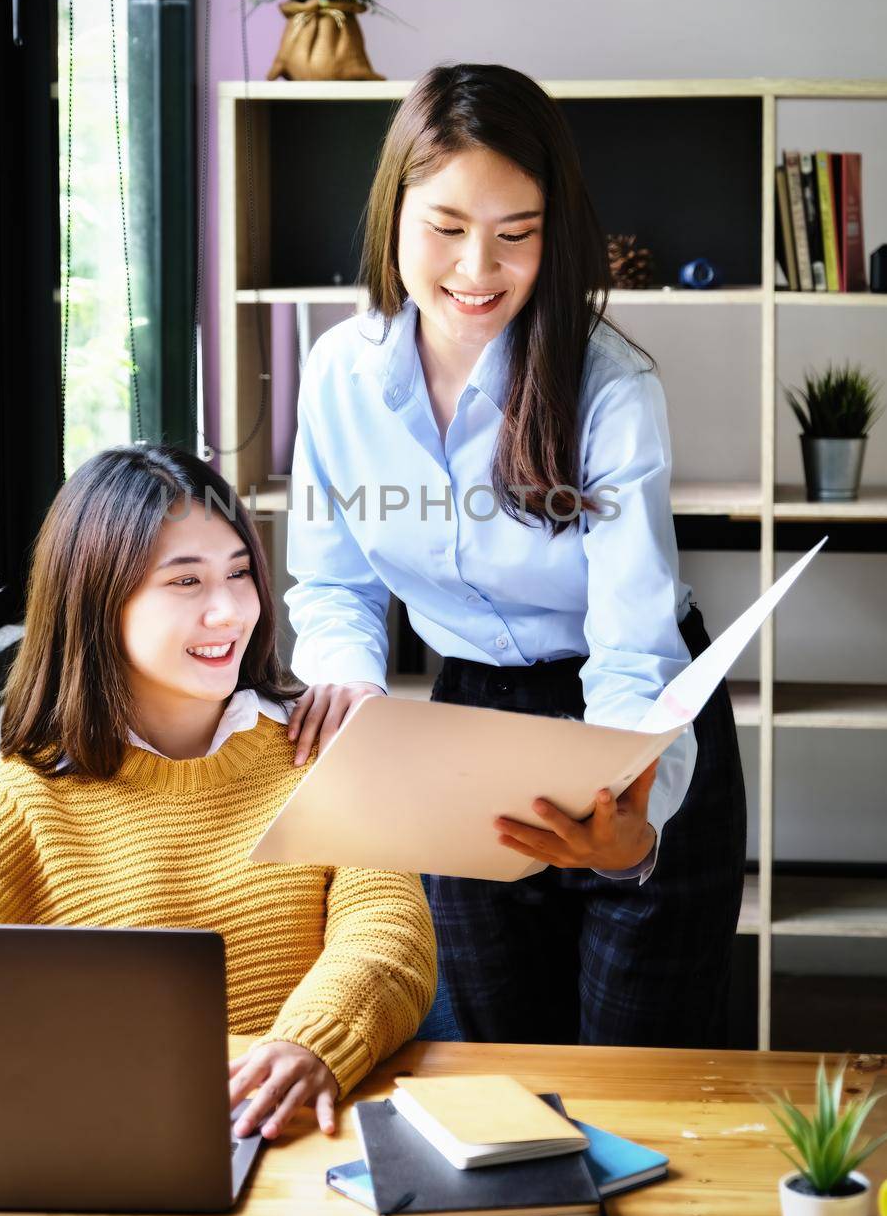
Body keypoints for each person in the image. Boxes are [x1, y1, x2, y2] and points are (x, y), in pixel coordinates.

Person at [283, 62, 746, 1048]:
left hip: (631, 714)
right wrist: (350, 689)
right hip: (467, 721)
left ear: (555, 229)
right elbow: (331, 583)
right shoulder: (338, 375)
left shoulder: (610, 387)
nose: (476, 269)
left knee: (641, 1081)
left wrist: (630, 807)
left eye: (515, 234)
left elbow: (632, 638)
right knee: (496, 1070)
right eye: (444, 228)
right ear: (392, 214)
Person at [0, 445, 436, 1138]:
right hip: (107, 1139)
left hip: (306, 1127)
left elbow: (388, 934)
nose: (229, 612)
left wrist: (307, 1045)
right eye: (185, 583)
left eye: (238, 574)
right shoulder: (19, 795)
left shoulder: (325, 750)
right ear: (98, 599)